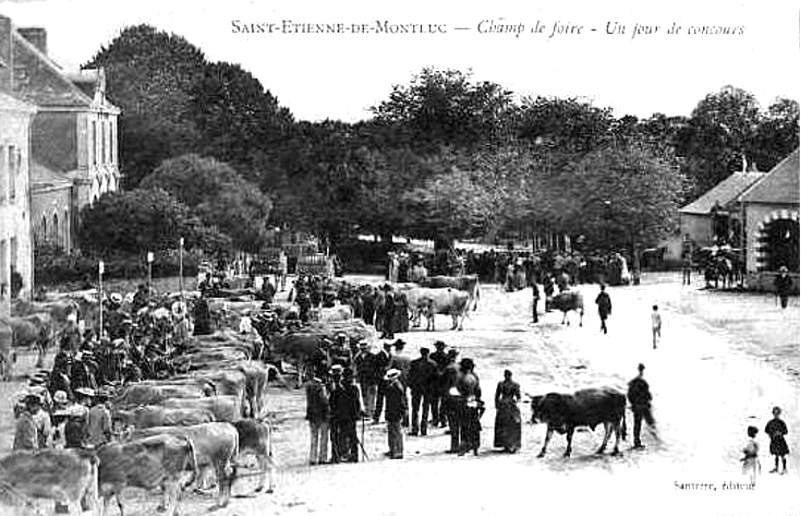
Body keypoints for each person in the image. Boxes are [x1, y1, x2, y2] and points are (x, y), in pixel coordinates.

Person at [408, 347, 437, 436]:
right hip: (428, 390)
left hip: (416, 389)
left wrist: (411, 386)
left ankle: (414, 429)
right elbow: (435, 379)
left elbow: (410, 376)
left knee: (415, 409)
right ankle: (423, 429)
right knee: (426, 409)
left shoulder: (414, 363)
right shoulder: (432, 364)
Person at [456, 358, 482, 456]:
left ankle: (464, 446)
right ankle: (475, 446)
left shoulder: (462, 378)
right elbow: (478, 391)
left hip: (464, 401)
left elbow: (458, 391)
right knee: (474, 423)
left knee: (464, 424)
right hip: (473, 401)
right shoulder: (474, 377)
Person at [627, 363, 657, 449]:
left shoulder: (633, 382)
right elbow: (648, 395)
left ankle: (636, 441)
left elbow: (630, 395)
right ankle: (654, 437)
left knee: (637, 424)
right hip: (643, 405)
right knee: (650, 421)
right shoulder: (643, 382)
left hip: (637, 406)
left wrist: (633, 404)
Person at [493, 370, 522, 453]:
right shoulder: (514, 385)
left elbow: (497, 396)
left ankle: (509, 444)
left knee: (507, 425)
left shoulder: (502, 384)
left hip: (505, 405)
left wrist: (497, 404)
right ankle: (508, 444)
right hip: (509, 405)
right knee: (508, 425)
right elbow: (519, 397)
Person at [305, 372, 330, 466]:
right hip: (322, 415)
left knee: (314, 437)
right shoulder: (320, 386)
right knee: (324, 437)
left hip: (312, 414)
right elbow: (324, 400)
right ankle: (322, 457)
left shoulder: (308, 387)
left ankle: (312, 457)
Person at [383, 369, 407, 459]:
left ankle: (398, 451)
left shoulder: (393, 388)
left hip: (394, 412)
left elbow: (397, 402)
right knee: (393, 431)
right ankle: (394, 449)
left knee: (396, 432)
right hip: (394, 412)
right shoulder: (397, 386)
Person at [429, 341, 449, 427]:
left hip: (434, 382)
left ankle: (435, 419)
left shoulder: (432, 356)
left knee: (434, 402)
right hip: (444, 383)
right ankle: (443, 420)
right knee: (444, 403)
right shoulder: (447, 357)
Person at [372, 341, 393, 424]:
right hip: (381, 380)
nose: (390, 348)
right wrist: (385, 370)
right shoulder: (379, 355)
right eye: (389, 346)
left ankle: (386, 417)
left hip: (388, 380)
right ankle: (376, 417)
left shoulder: (390, 355)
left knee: (388, 400)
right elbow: (376, 368)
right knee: (380, 400)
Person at [765, 406, 789, 474]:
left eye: (777, 413)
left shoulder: (781, 422)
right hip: (774, 440)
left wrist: (780, 433)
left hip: (781, 441)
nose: (776, 415)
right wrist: (771, 436)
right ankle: (776, 467)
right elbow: (767, 430)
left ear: (779, 414)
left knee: (782, 454)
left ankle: (784, 469)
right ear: (773, 414)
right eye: (775, 413)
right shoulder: (770, 422)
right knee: (776, 454)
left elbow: (786, 431)